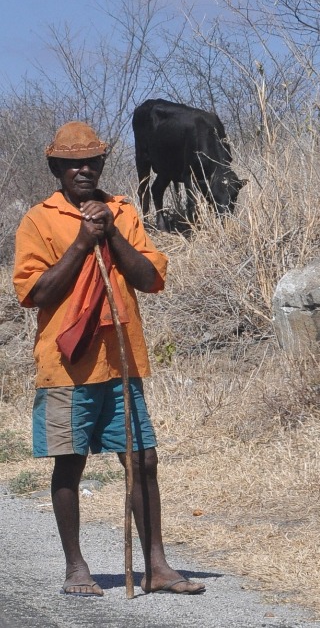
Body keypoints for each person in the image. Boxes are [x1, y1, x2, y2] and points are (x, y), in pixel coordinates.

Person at [12, 121, 205, 597]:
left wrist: (110, 234)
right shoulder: (39, 219)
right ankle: (76, 567)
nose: (84, 169)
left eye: (92, 161)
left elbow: (149, 278)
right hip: (66, 364)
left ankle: (156, 566)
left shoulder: (122, 211)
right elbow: (35, 292)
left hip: (122, 362)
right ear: (56, 168)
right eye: (73, 162)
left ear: (101, 165)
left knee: (143, 460)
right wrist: (82, 241)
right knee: (69, 462)